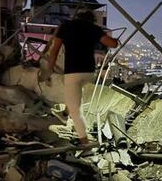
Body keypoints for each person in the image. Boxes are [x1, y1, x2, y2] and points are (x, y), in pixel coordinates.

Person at [47, 10, 118, 145]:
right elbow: (112, 44)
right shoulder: (93, 28)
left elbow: (54, 50)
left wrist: (50, 69)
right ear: (91, 20)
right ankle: (66, 114)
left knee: (76, 109)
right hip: (88, 73)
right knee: (79, 101)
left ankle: (84, 141)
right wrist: (116, 41)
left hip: (72, 72)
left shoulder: (66, 26)